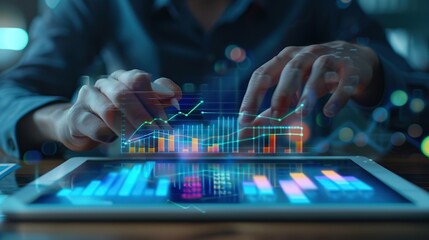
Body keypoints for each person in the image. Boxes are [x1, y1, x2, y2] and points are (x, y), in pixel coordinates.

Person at [0, 0, 426, 158]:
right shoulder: (96, 5)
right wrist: (64, 121)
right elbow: (10, 95)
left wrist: (371, 69)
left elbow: (416, 100)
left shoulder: (317, 5)